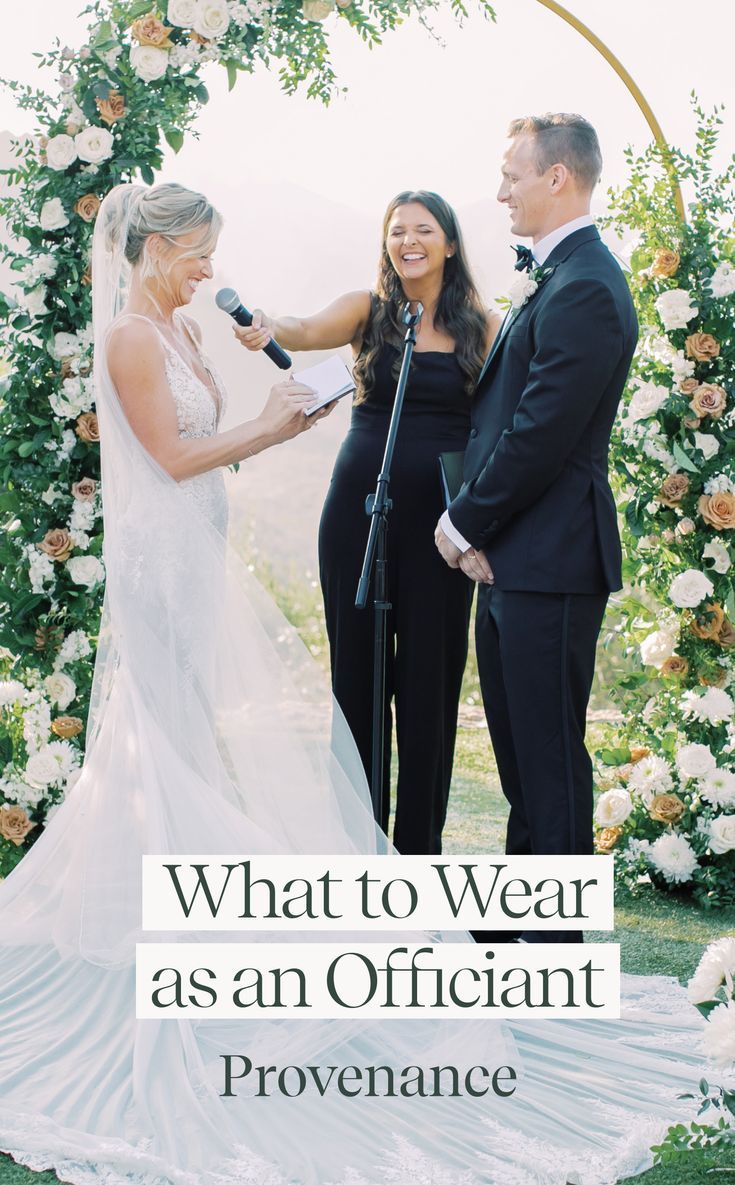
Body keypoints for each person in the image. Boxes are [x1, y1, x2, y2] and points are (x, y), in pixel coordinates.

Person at [0, 182, 704, 1185]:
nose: (211, 267)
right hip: (191, 553)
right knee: (169, 737)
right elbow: (175, 447)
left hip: (243, 544)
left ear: (451, 243)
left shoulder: (195, 331)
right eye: (199, 251)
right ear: (153, 248)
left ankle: (344, 883)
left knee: (199, 736)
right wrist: (285, 414)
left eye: (213, 251)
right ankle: (160, 923)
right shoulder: (144, 337)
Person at [235, 190, 498, 854]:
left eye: (422, 229)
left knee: (428, 689)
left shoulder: (482, 326)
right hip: (359, 513)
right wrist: (266, 324)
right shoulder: (368, 311)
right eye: (396, 231)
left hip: (443, 529)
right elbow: (297, 328)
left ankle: (417, 854)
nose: (407, 240)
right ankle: (354, 848)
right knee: (356, 680)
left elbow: (503, 426)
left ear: (449, 243)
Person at [436, 114, 637, 944]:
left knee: (549, 756)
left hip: (550, 557)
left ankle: (553, 948)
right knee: (522, 752)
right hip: (518, 555)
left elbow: (540, 433)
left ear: (558, 176)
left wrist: (461, 520)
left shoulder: (587, 285)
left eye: (512, 173)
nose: (499, 190)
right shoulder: (557, 277)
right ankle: (516, 920)